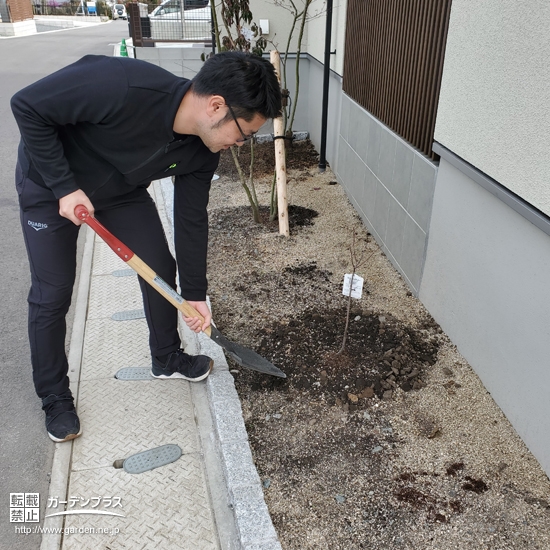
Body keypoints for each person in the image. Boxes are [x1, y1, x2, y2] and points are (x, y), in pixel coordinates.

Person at [11, 51, 282, 443]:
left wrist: (195, 295)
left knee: (157, 265)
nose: (240, 144)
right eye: (243, 134)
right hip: (50, 186)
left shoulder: (203, 151)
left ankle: (166, 356)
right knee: (53, 293)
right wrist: (63, 186)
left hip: (120, 192)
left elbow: (191, 219)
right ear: (216, 105)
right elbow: (28, 106)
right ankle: (54, 395)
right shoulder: (120, 84)